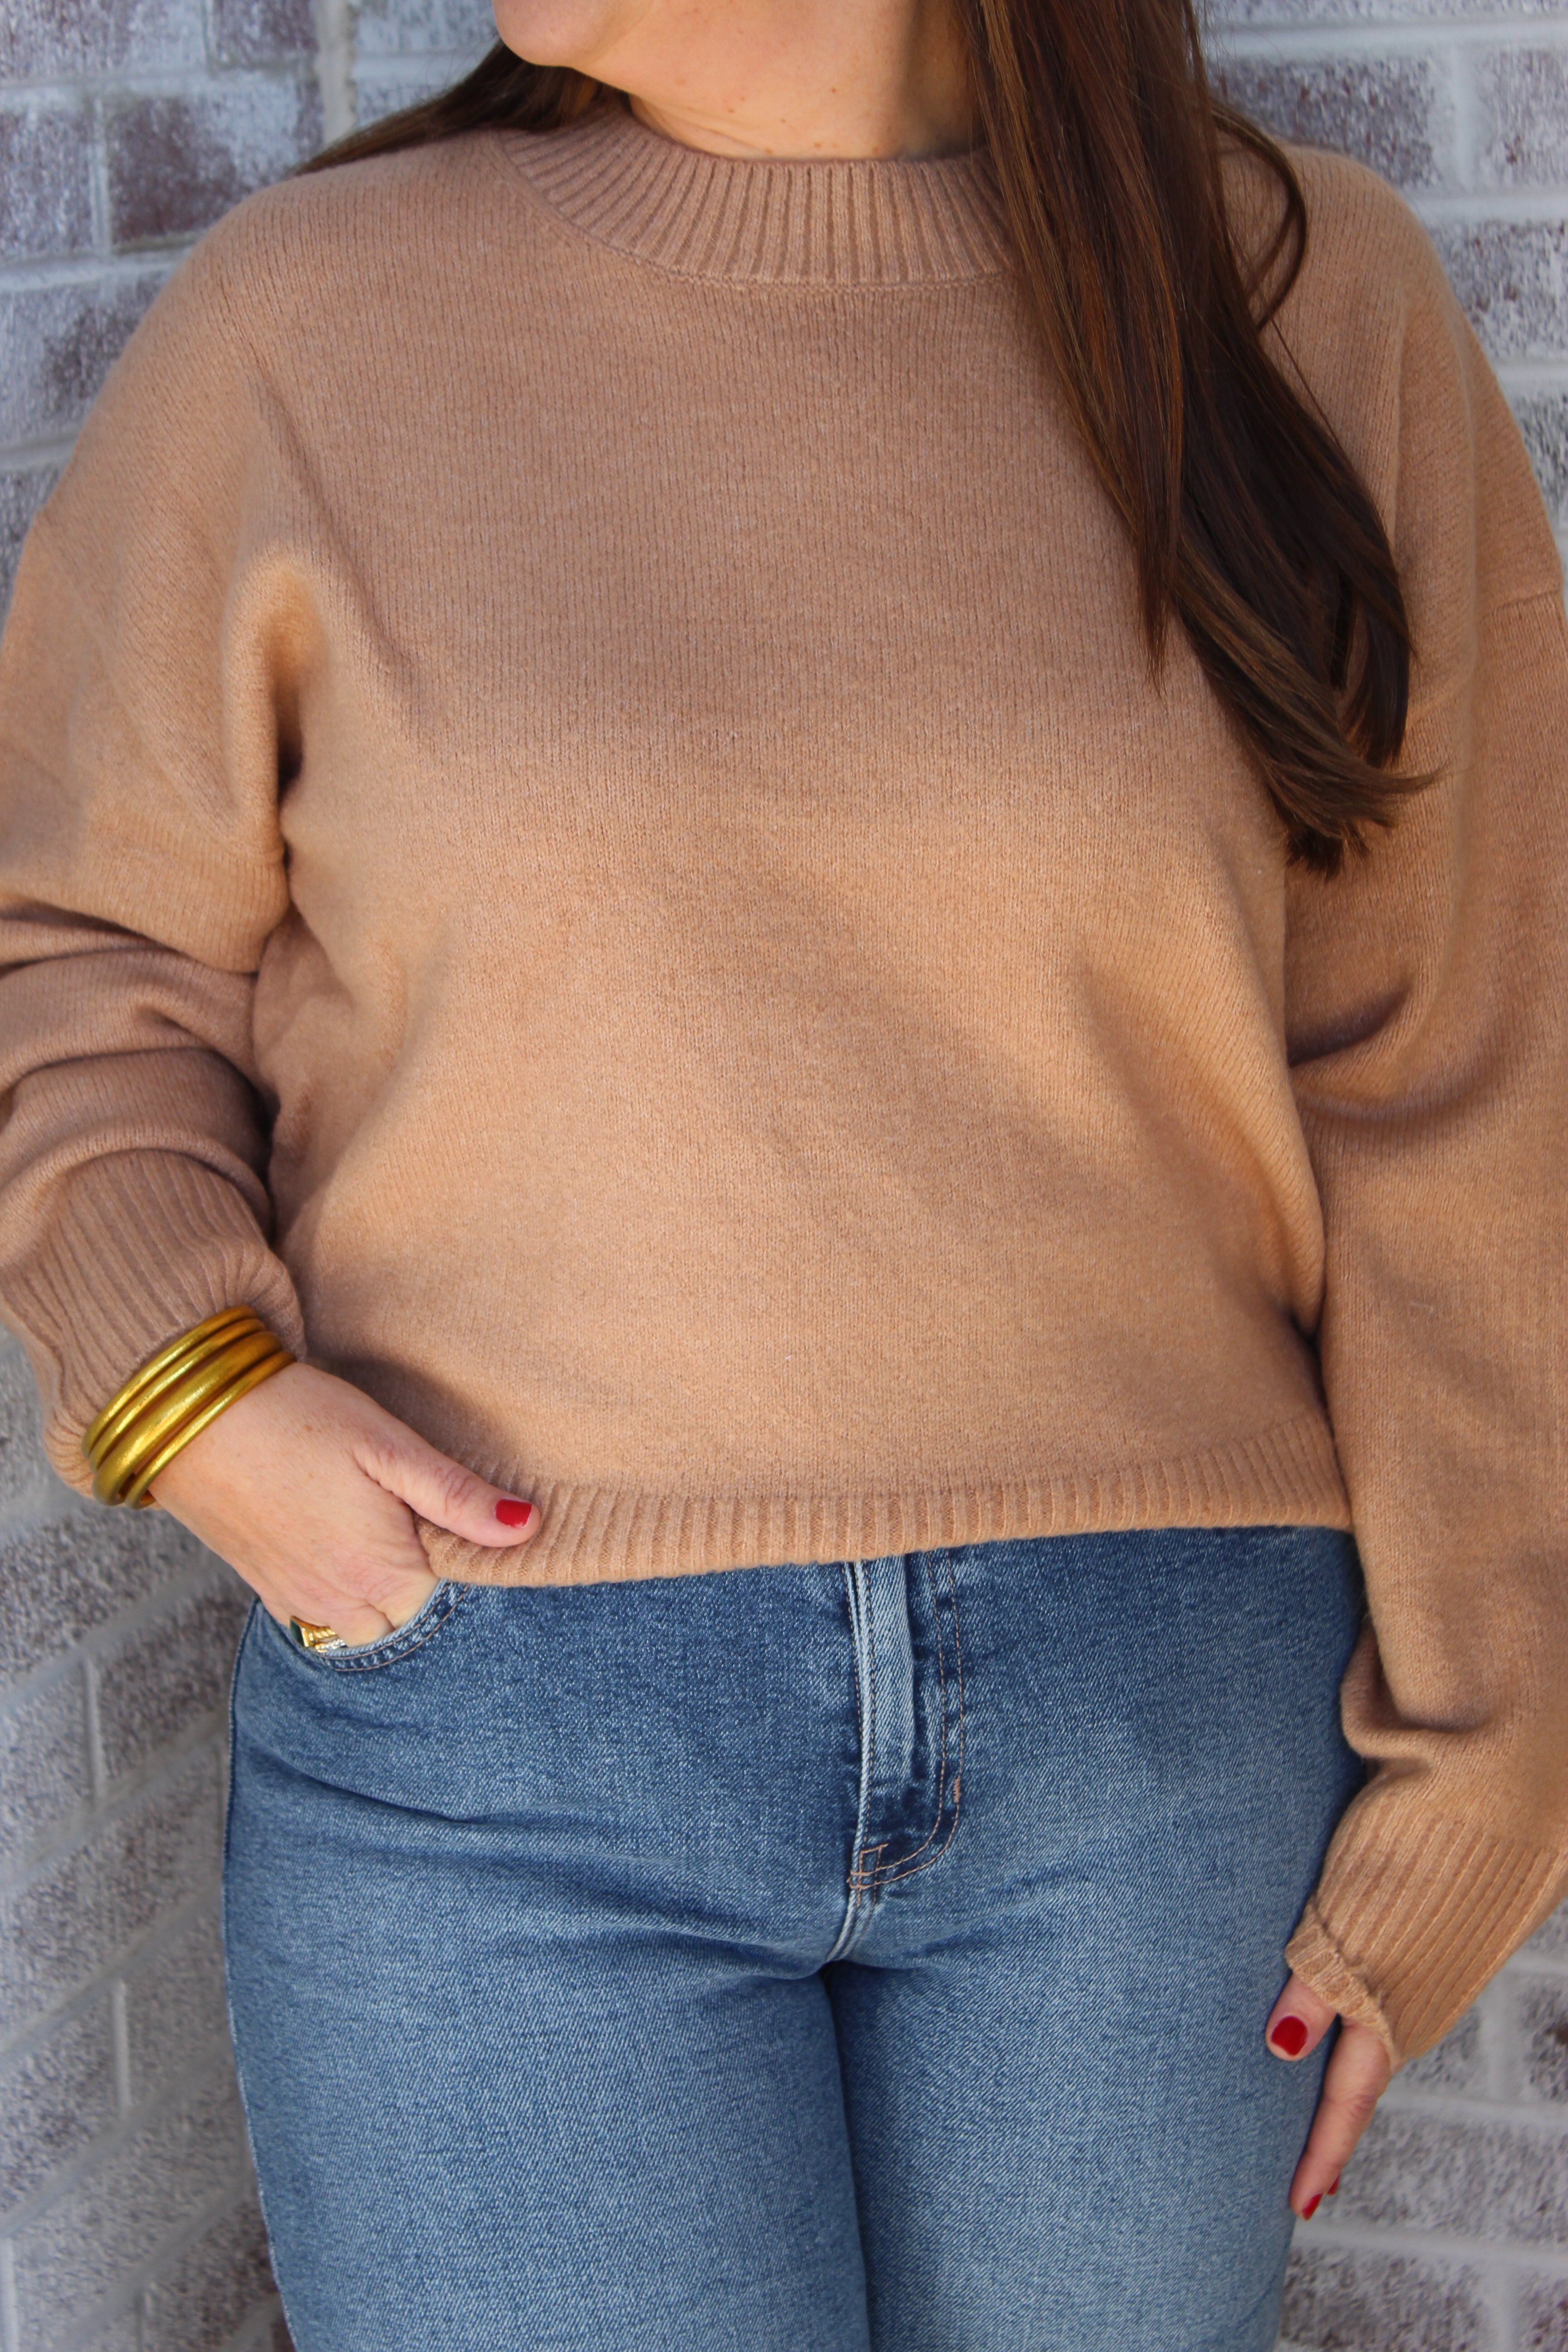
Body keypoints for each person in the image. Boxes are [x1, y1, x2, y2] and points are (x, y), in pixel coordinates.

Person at [0, 0, 1563, 2344]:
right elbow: (80, 948)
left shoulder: (1298, 300)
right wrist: (186, 1391)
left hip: (1159, 1757)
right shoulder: (311, 323)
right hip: (500, 1726)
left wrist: (1499, 1743)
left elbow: (1458, 1080)